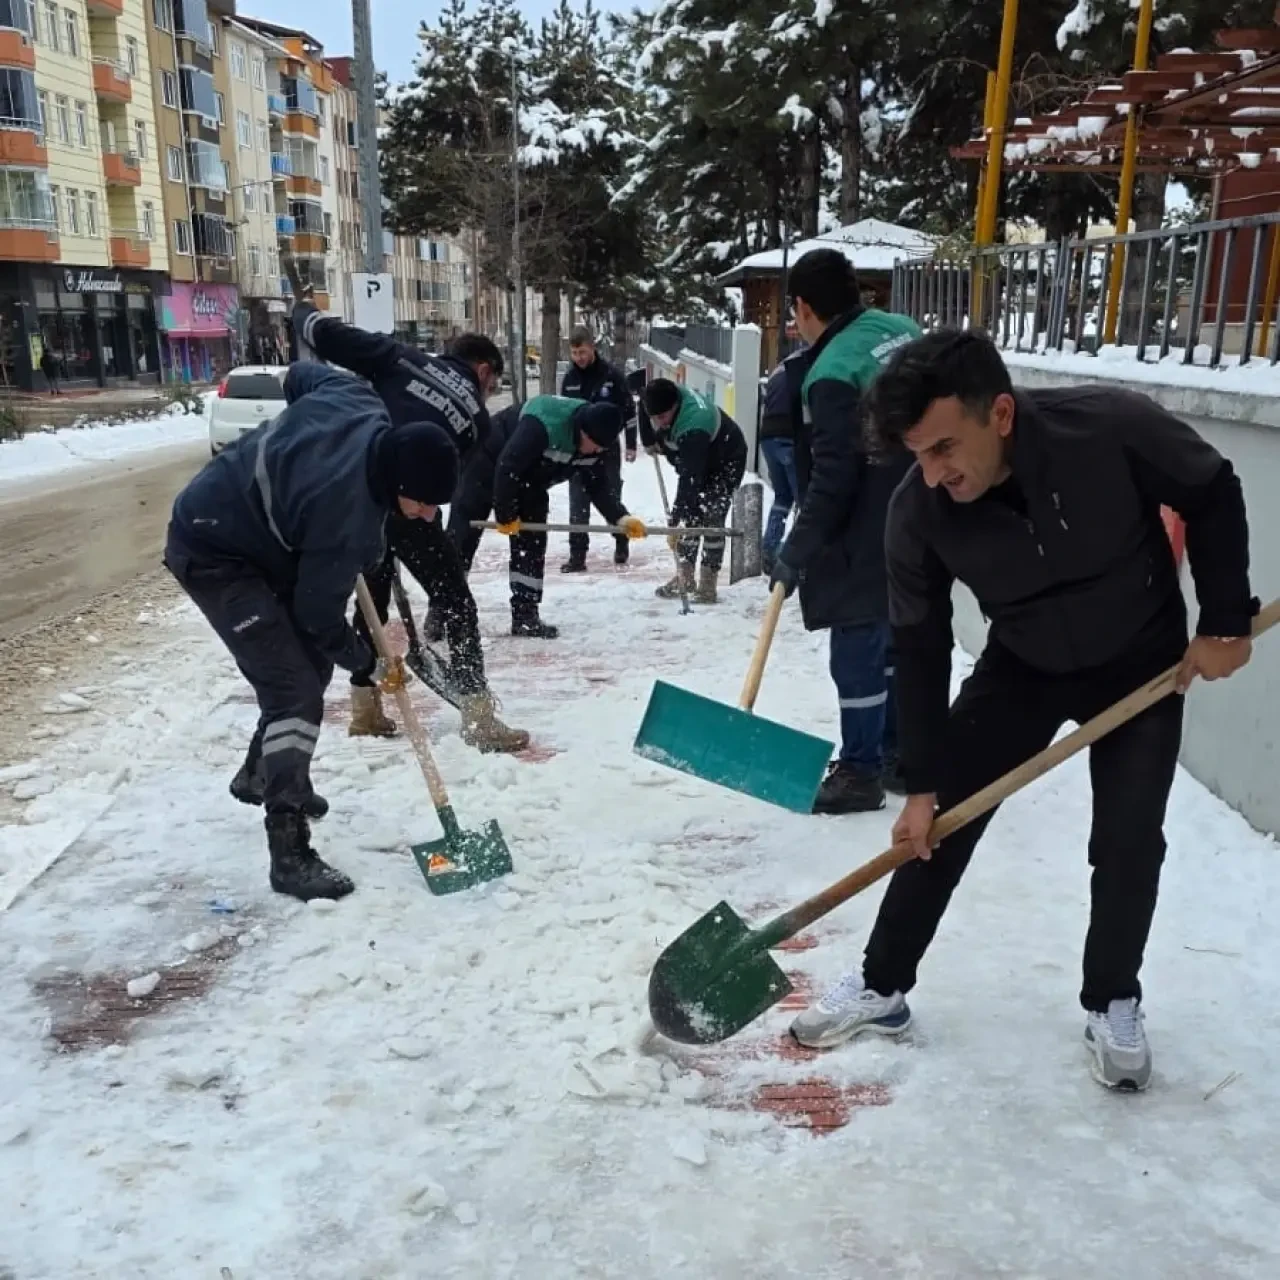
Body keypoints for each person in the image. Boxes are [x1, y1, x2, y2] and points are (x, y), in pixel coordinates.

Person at [791, 329, 1257, 1091]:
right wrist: (920, 784)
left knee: (1129, 837)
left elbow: (1210, 487)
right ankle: (883, 984)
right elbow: (918, 645)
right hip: (1024, 665)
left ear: (999, 413)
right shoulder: (918, 513)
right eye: (918, 456)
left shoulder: (1107, 427)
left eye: (945, 449)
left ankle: (1112, 999)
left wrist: (1226, 620)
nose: (935, 474)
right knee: (941, 827)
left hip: (1138, 658)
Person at [164, 364, 460, 902]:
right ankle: (289, 845)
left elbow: (300, 374)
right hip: (215, 550)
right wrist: (368, 664)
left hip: (264, 536)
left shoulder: (358, 398)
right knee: (294, 688)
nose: (430, 515)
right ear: (397, 485)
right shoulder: (343, 518)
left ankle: (263, 773)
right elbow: (318, 618)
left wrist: (294, 448)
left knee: (310, 666)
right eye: (423, 503)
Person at [290, 293, 528, 754]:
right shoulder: (478, 420)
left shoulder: (404, 358)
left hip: (361, 488)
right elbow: (441, 480)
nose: (488, 394)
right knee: (456, 600)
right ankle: (478, 717)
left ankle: (365, 709)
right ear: (483, 370)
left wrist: (305, 316)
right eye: (493, 384)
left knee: (372, 601)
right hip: (413, 500)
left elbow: (334, 339)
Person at [768, 249, 922, 815]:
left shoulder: (830, 373)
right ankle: (899, 754)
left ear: (804, 307)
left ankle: (860, 772)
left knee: (857, 647)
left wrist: (797, 550)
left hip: (868, 525)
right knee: (899, 640)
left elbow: (833, 477)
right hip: (923, 512)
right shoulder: (901, 330)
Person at [491, 395, 648, 637]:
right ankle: (443, 610)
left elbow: (598, 487)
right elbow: (508, 465)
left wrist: (621, 518)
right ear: (582, 430)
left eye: (601, 448)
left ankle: (525, 615)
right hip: (489, 460)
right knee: (463, 535)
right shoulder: (542, 426)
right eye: (594, 444)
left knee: (531, 544)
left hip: (532, 484)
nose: (596, 451)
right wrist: (504, 514)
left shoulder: (594, 445)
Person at [640, 379, 747, 604]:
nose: (658, 423)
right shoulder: (659, 397)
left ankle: (708, 581)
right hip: (698, 456)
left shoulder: (694, 424)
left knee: (711, 516)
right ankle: (685, 576)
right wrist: (648, 439)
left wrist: (675, 518)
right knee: (691, 515)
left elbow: (690, 478)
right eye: (654, 418)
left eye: (662, 418)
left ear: (675, 406)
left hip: (726, 458)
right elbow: (643, 407)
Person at [559, 326, 638, 572]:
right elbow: (564, 414)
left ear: (592, 347)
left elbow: (629, 412)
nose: (579, 358)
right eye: (574, 353)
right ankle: (577, 555)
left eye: (582, 351)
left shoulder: (612, 377)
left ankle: (621, 539)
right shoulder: (570, 380)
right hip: (579, 448)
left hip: (607, 449)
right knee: (578, 503)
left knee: (610, 498)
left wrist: (632, 444)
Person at [758, 352, 804, 574]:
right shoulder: (808, 367)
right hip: (790, 437)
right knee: (806, 501)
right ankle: (793, 557)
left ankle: (769, 548)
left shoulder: (780, 368)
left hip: (768, 438)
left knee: (783, 497)